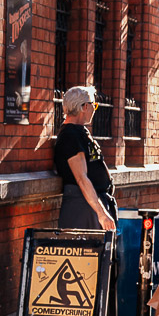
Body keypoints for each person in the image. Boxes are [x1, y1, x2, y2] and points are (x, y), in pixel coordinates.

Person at [53, 85, 118, 232]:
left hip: (92, 204)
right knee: (91, 252)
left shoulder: (80, 131)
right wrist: (101, 214)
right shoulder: (70, 135)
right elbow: (81, 178)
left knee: (104, 253)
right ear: (84, 107)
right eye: (94, 105)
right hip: (83, 207)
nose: (95, 109)